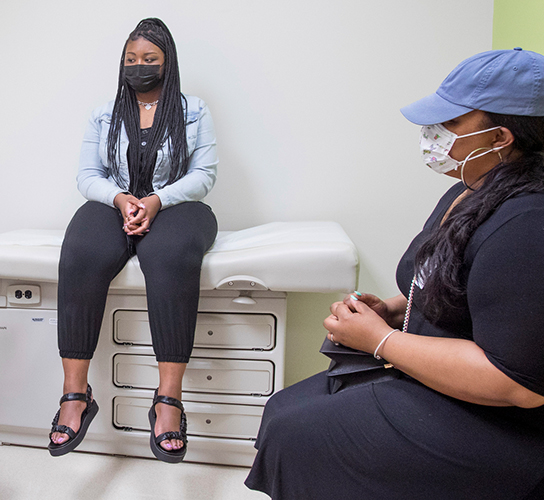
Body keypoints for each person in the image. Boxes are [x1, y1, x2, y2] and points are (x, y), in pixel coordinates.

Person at [245, 48, 544, 499]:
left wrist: (380, 341)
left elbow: (517, 385)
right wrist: (388, 309)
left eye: (451, 123)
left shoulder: (528, 224)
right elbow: (455, 279)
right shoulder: (471, 190)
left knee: (302, 435)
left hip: (495, 420)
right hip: (427, 376)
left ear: (500, 137)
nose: (433, 134)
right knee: (285, 409)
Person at [48, 17, 218, 463]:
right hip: (115, 203)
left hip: (179, 206)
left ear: (168, 63)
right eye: (131, 59)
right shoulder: (104, 114)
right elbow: (88, 176)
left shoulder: (194, 110)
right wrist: (122, 199)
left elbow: (204, 175)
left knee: (170, 253)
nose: (139, 67)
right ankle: (75, 394)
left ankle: (167, 402)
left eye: (149, 59)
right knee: (82, 249)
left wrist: (158, 200)